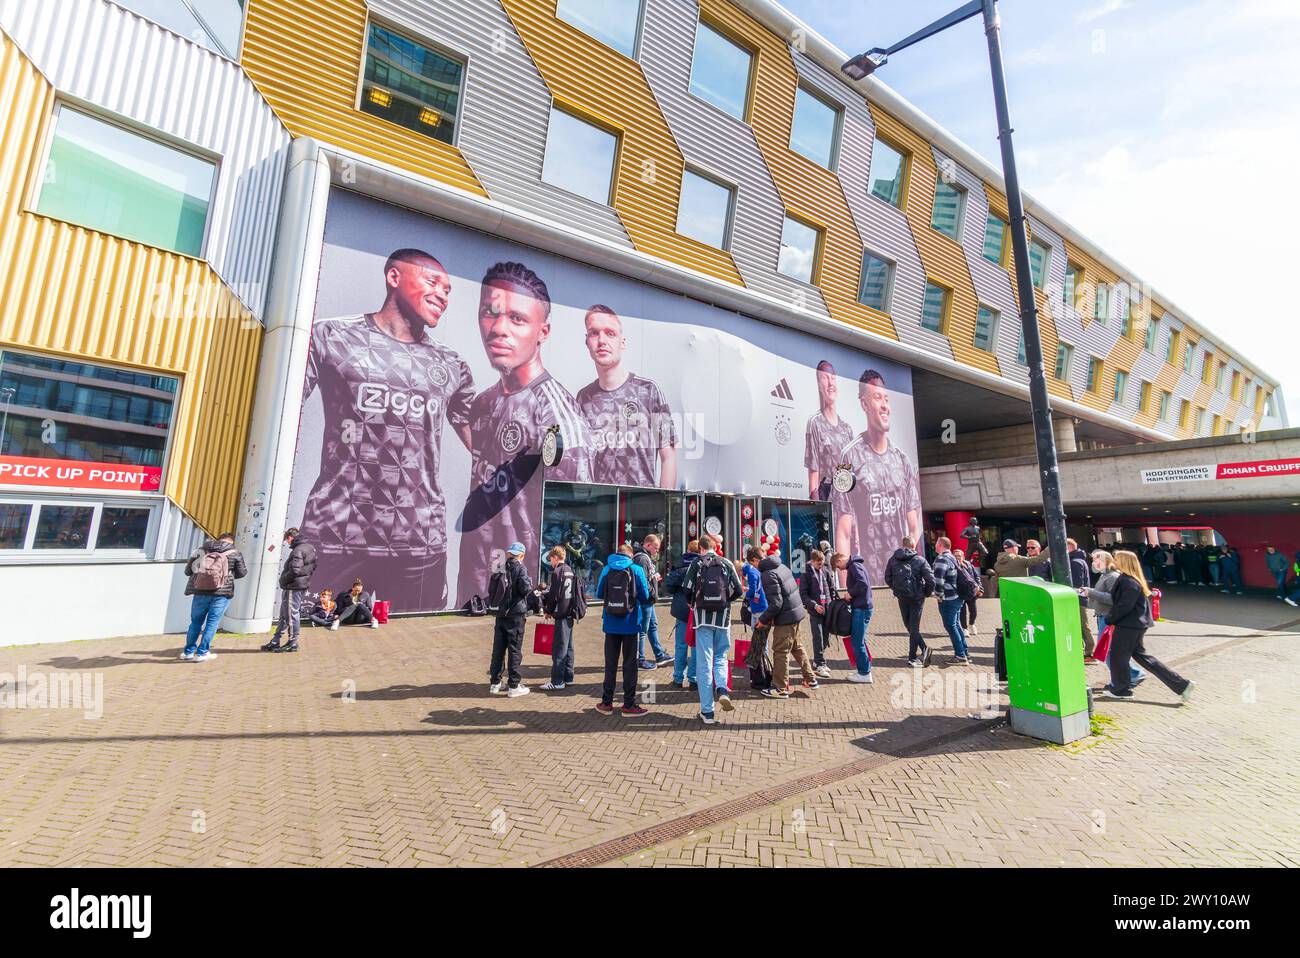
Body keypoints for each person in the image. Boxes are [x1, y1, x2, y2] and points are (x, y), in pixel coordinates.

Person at [298, 249, 474, 615]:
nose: (443, 294)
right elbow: (279, 409)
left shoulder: (452, 364)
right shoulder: (330, 337)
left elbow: (484, 443)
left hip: (418, 542)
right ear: (394, 278)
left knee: (407, 654)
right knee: (316, 645)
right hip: (335, 534)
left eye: (448, 290)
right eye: (432, 282)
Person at [458, 262, 592, 607]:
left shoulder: (556, 414)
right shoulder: (483, 402)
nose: (498, 329)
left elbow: (574, 510)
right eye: (490, 313)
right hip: (474, 583)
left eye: (517, 319)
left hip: (523, 592)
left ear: (543, 331)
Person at [832, 369, 922, 583]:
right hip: (867, 580)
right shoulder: (847, 457)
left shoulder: (902, 459)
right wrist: (845, 588)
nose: (884, 406)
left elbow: (914, 525)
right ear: (864, 404)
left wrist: (905, 561)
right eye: (877, 398)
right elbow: (843, 532)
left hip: (902, 579)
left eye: (886, 399)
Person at [576, 305, 678, 488]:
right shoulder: (583, 398)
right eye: (594, 333)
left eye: (610, 333)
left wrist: (664, 509)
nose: (602, 341)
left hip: (642, 510)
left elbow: (668, 457)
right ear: (586, 342)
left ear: (622, 342)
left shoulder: (648, 391)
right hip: (597, 509)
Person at [1100, 550, 1194, 702]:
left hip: (1129, 625)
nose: (1114, 561)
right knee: (1143, 657)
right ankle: (1181, 684)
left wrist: (1110, 619)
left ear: (1124, 562)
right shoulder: (1132, 580)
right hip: (1135, 624)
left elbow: (1124, 605)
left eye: (1117, 558)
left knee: (1118, 656)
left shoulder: (1128, 581)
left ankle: (1121, 689)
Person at [682, 534, 744, 724]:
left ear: (700, 548)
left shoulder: (697, 563)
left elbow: (686, 588)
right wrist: (726, 602)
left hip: (702, 619)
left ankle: (707, 711)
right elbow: (739, 590)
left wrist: (692, 603)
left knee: (704, 663)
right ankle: (723, 689)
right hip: (722, 619)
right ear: (715, 547)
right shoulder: (726, 563)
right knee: (721, 657)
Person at [595, 543, 651, 715]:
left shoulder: (606, 569)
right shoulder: (636, 569)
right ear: (630, 555)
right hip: (631, 623)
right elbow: (645, 595)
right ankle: (628, 704)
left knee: (610, 664)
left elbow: (598, 594)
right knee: (630, 665)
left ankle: (606, 703)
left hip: (610, 623)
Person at [756, 546, 815, 697]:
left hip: (786, 618)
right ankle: (810, 678)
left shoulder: (767, 575)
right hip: (796, 613)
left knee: (781, 651)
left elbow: (776, 603)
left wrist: (763, 620)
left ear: (756, 561)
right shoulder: (781, 565)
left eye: (752, 564)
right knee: (797, 646)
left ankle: (780, 688)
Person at [181, 531, 247, 661]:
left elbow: (188, 571)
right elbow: (242, 573)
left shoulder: (201, 550)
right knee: (212, 623)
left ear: (218, 540)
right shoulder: (234, 553)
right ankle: (202, 653)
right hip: (221, 594)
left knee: (195, 623)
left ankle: (188, 652)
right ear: (231, 542)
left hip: (200, 592)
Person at [1082, 549, 1143, 685]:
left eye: (1097, 560)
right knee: (1108, 651)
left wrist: (1091, 593)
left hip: (1108, 617)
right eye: (1093, 560)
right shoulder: (1105, 576)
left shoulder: (1112, 577)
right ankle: (1129, 675)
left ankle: (1127, 677)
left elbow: (1113, 599)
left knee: (1107, 651)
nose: (1094, 563)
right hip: (1103, 616)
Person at [804, 359, 854, 501]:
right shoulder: (815, 423)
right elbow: (814, 473)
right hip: (827, 499)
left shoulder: (847, 429)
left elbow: (851, 473)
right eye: (825, 378)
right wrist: (816, 508)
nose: (831, 383)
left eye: (833, 378)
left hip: (846, 504)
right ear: (819, 385)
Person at [487, 542, 533, 697]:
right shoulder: (521, 568)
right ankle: (514, 686)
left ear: (508, 553)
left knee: (498, 649)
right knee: (514, 650)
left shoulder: (499, 567)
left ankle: (495, 683)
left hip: (501, 614)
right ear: (521, 555)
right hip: (516, 615)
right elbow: (525, 589)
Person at [263, 528, 317, 653]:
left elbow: (294, 570)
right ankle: (275, 641)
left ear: (290, 537)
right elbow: (314, 566)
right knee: (284, 614)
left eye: (287, 541)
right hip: (299, 585)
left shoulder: (298, 550)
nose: (287, 543)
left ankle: (293, 643)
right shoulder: (310, 547)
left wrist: (283, 580)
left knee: (291, 615)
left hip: (293, 586)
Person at [884, 536, 935, 668]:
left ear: (903, 545)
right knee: (913, 627)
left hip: (902, 597)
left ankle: (917, 654)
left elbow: (887, 578)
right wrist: (926, 593)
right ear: (913, 546)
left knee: (910, 626)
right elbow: (931, 580)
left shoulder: (893, 559)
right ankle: (919, 653)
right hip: (917, 598)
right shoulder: (920, 560)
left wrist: (896, 589)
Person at [540, 545, 579, 691]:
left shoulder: (557, 572)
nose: (551, 562)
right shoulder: (570, 570)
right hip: (570, 613)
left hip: (561, 613)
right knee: (569, 647)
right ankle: (568, 677)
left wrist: (548, 610)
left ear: (555, 557)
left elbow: (554, 595)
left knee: (559, 648)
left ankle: (557, 681)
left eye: (551, 559)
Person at [663, 539, 700, 689]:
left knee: (681, 645)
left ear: (688, 550)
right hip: (699, 610)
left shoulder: (680, 566)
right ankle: (694, 679)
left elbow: (669, 587)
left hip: (682, 610)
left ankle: (678, 678)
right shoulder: (704, 566)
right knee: (696, 646)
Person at [632, 534, 672, 670]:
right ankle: (640, 659)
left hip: (648, 600)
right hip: (645, 600)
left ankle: (659, 654)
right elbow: (642, 581)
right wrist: (651, 593)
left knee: (653, 625)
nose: (657, 551)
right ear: (648, 545)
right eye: (655, 547)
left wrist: (654, 578)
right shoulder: (642, 558)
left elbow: (647, 577)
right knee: (642, 630)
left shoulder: (645, 557)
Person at [834, 552, 875, 683]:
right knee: (860, 640)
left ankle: (864, 673)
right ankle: (864, 669)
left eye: (837, 566)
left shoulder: (853, 566)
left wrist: (850, 594)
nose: (840, 569)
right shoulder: (857, 565)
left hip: (861, 608)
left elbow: (862, 583)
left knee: (857, 642)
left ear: (840, 560)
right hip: (864, 606)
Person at [930, 537, 970, 664]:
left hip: (949, 598)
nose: (935, 545)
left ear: (941, 544)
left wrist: (938, 596)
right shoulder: (952, 557)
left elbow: (939, 580)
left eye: (936, 543)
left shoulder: (942, 559)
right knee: (956, 625)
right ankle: (964, 652)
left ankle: (960, 655)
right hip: (958, 596)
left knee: (951, 626)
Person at [799, 548, 835, 678]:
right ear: (812, 562)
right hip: (815, 610)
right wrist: (814, 605)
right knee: (818, 636)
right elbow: (803, 594)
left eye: (823, 563)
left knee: (826, 636)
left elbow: (831, 588)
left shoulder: (825, 570)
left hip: (827, 608)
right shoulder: (806, 574)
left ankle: (818, 660)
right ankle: (820, 664)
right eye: (819, 564)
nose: (821, 566)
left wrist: (833, 603)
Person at [743, 546, 772, 691]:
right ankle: (764, 671)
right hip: (764, 607)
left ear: (752, 561)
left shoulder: (753, 572)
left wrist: (746, 595)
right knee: (762, 641)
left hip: (758, 610)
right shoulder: (761, 571)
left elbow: (754, 591)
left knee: (760, 642)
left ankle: (764, 672)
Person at [953, 548, 981, 638]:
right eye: (955, 556)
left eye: (959, 555)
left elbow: (976, 576)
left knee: (973, 610)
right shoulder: (952, 566)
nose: (957, 557)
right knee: (962, 612)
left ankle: (971, 624)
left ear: (963, 556)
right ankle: (964, 629)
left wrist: (979, 587)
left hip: (971, 592)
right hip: (960, 592)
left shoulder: (968, 564)